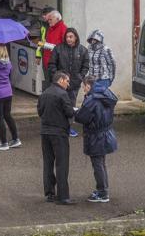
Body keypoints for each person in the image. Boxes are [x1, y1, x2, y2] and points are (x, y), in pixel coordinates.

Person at [74, 75, 118, 203]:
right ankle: (103, 190)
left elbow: (82, 117)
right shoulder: (106, 93)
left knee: (98, 164)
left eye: (83, 87)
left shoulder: (91, 100)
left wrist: (76, 112)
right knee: (101, 163)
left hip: (96, 136)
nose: (83, 90)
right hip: (106, 133)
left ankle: (102, 192)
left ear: (88, 85)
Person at [37, 71, 76, 205]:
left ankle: (49, 193)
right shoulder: (63, 94)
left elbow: (40, 111)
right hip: (59, 133)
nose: (68, 84)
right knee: (61, 164)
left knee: (48, 163)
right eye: (67, 81)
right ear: (60, 80)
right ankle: (63, 196)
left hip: (45, 132)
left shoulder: (44, 93)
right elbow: (69, 112)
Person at [48, 27, 89, 137]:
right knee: (58, 106)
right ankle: (57, 127)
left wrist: (80, 77)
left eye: (71, 37)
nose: (68, 39)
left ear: (76, 37)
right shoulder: (58, 48)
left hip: (74, 84)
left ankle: (68, 128)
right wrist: (57, 78)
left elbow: (85, 66)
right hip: (60, 85)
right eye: (67, 37)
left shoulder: (83, 50)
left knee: (70, 106)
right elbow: (52, 64)